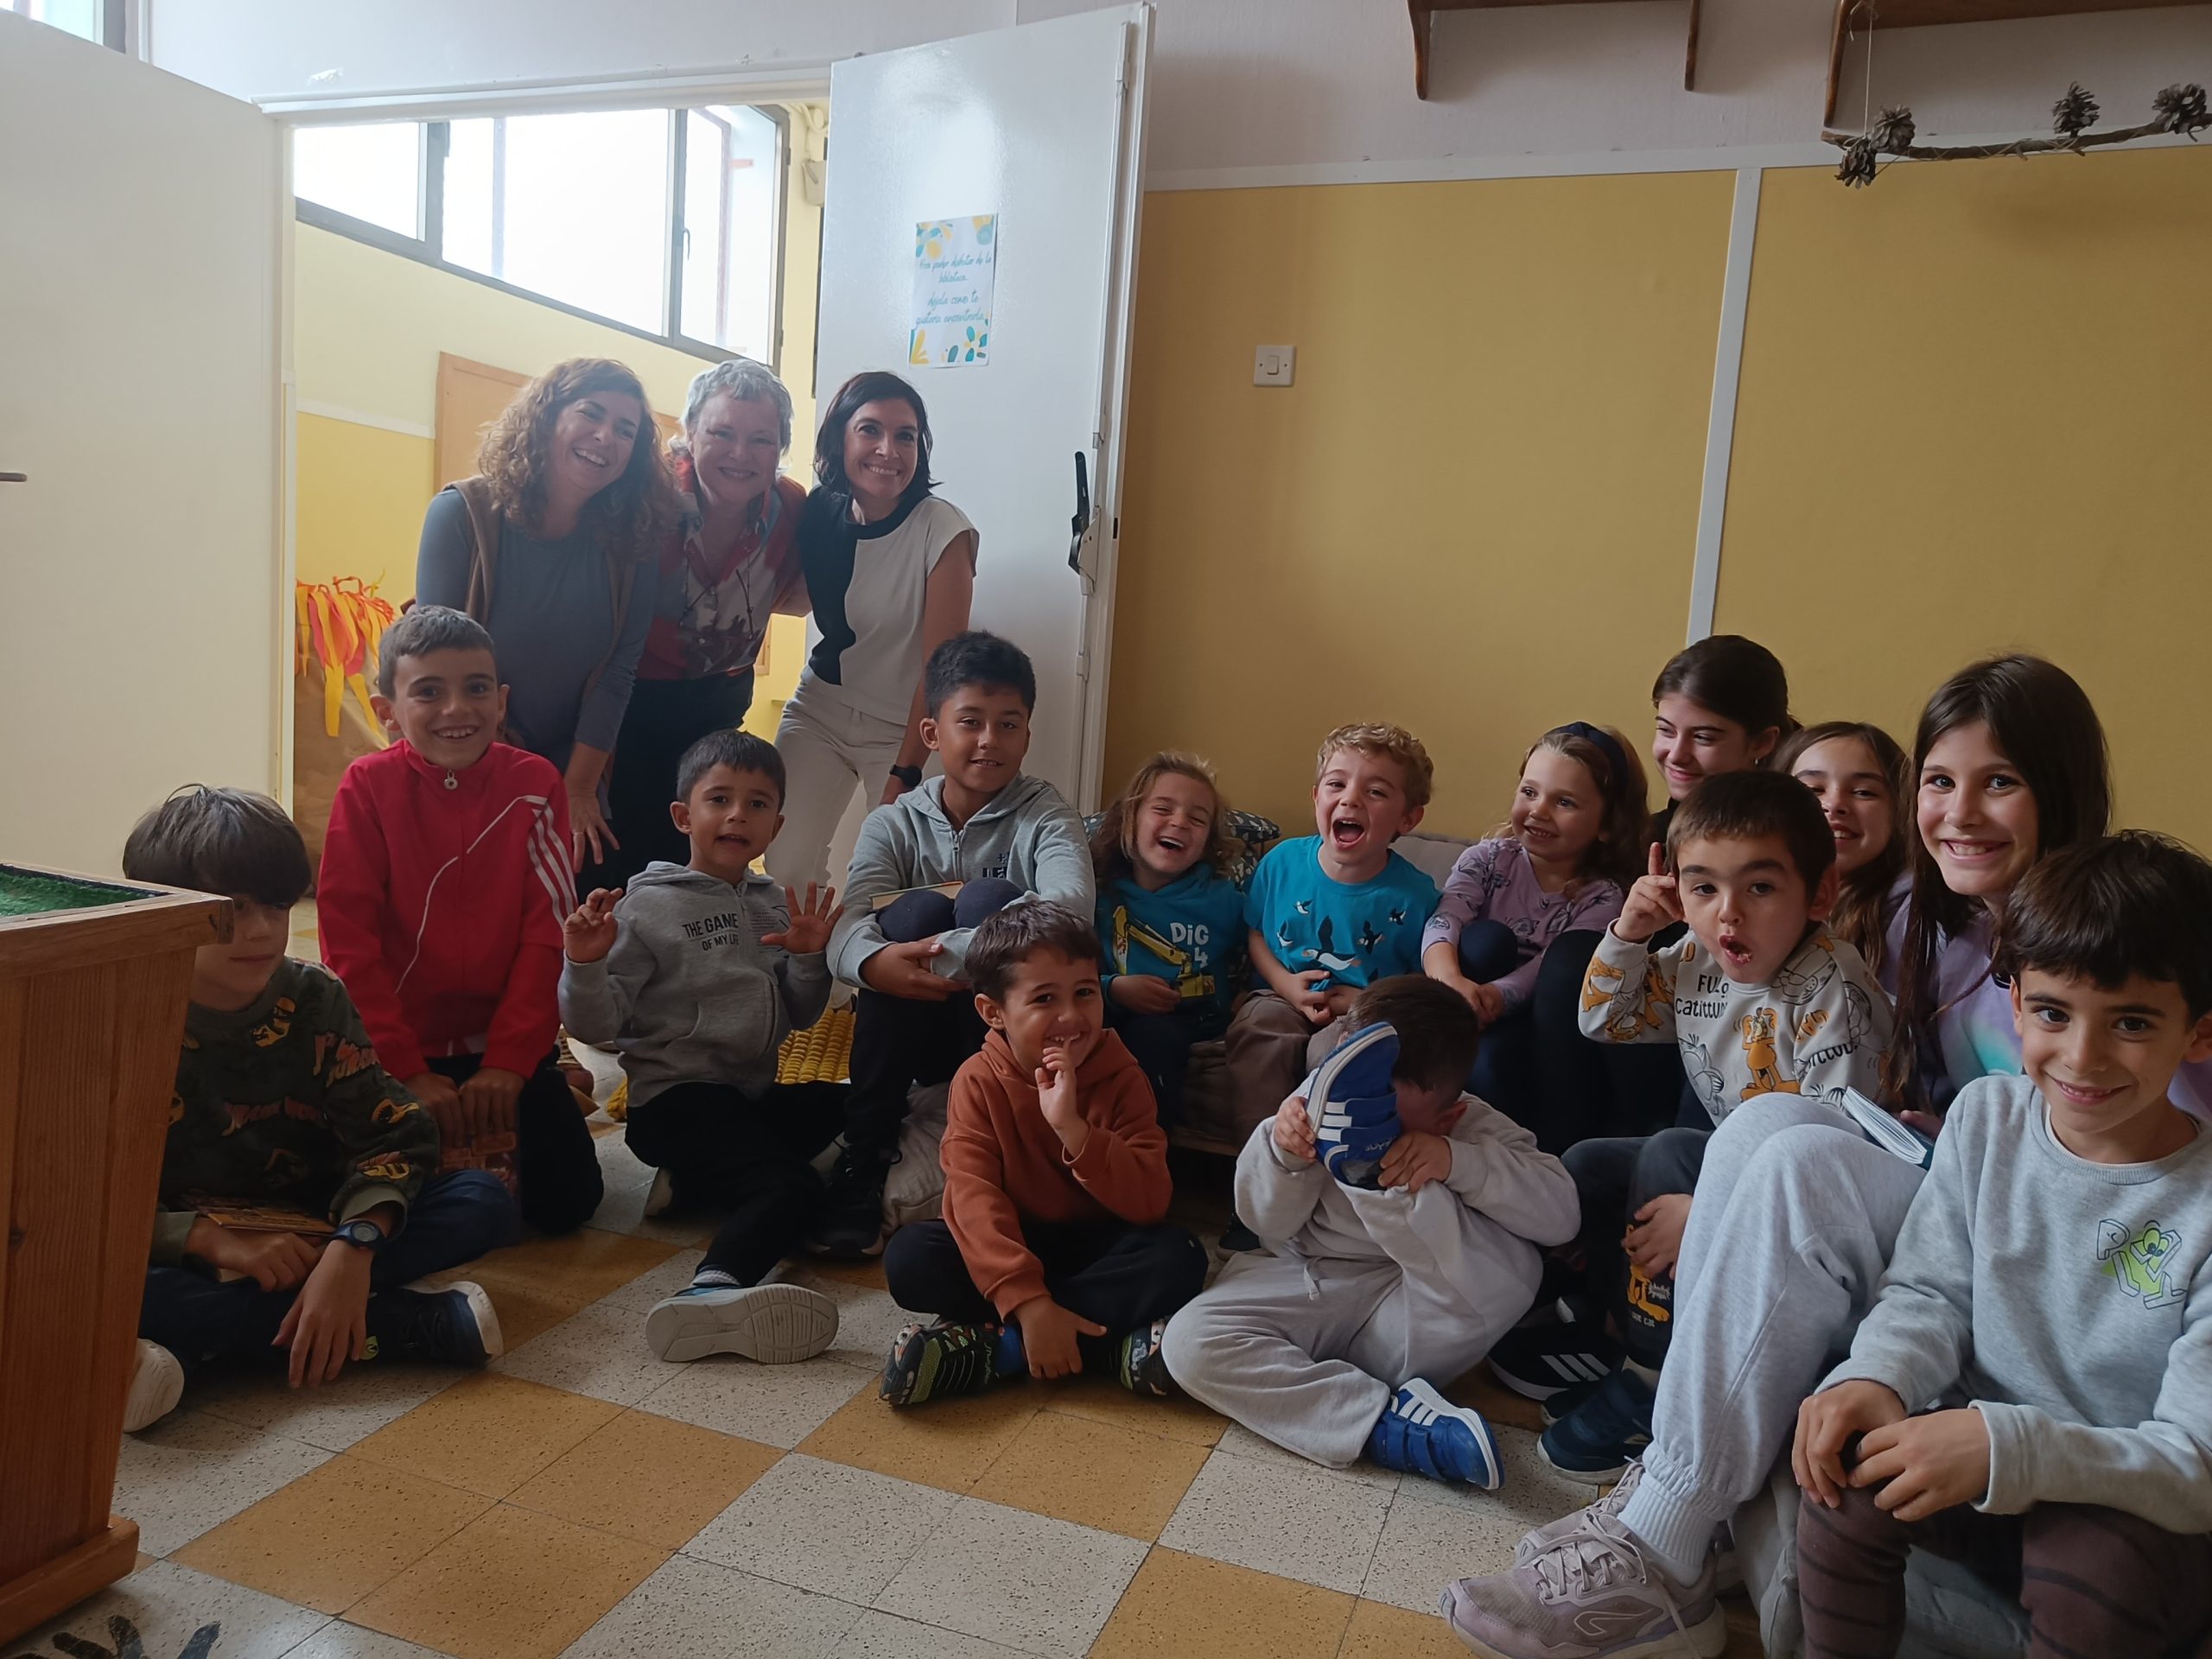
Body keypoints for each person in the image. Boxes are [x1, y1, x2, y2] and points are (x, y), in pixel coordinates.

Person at [1439, 654, 2119, 1659]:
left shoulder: (2103, 940)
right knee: (1758, 1132)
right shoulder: (1921, 919)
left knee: (1786, 1151)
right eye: (1941, 780)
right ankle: (1669, 1509)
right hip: (1931, 1174)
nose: (1961, 811)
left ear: (2057, 790)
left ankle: (1664, 1532)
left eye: (2000, 781)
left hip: (2034, 1224)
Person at [1792, 831, 2212, 1659]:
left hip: (2131, 1507)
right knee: (1843, 1475)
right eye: (2054, 1013)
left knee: (2098, 1574)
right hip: (1982, 1465)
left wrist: (2006, 1447)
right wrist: (1877, 1375)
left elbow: (2195, 1462)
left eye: (2132, 1022)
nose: (2083, 1057)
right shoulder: (1985, 1119)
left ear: (2199, 1034)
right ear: (2015, 1004)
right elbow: (1930, 1294)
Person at [1494, 768, 1894, 1483]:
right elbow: (1606, 1020)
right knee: (1589, 1165)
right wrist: (1629, 932)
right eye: (1703, 889)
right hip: (1735, 1166)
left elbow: (1828, 1154)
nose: (1728, 915)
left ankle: (1652, 1389)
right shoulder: (1695, 958)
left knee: (1672, 1153)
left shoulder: (1831, 985)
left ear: (1819, 894)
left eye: (1760, 888)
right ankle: (1619, 1339)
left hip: (1803, 1201)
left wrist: (1709, 1212)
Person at [122, 787, 513, 1435]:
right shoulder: (118, 1011)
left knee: (481, 1200)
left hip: (316, 1222)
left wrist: (353, 1248)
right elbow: (80, 1189)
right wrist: (210, 1241)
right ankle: (399, 1326)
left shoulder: (314, 993)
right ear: (161, 908)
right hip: (186, 1241)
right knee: (81, 1277)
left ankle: (202, 1348)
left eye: (277, 905)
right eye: (232, 908)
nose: (261, 930)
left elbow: (394, 1134)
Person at [1162, 976, 1578, 1486]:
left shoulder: (1470, 1125)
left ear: (1448, 1116)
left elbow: (1562, 1218)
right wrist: (1281, 1153)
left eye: (1388, 1119)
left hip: (1409, 1316)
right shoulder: (1309, 1106)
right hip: (1309, 1281)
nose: (1362, 1113)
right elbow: (1262, 1223)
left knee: (1514, 1267)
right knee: (1188, 1343)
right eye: (1350, 1098)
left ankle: (1365, 1174)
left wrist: (1456, 1162)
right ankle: (1383, 1424)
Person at [559, 728, 848, 1364]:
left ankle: (692, 1185)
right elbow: (595, 1026)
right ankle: (710, 1291)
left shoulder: (772, 904)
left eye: (757, 803)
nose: (738, 815)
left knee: (856, 1106)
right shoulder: (647, 907)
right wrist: (584, 964)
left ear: (776, 826)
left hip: (746, 1096)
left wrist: (808, 959)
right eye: (720, 799)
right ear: (684, 816)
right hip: (675, 1104)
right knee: (790, 1185)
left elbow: (801, 1015)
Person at [317, 606, 603, 1236]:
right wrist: (406, 1069)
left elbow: (547, 935)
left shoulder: (535, 783)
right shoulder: (366, 786)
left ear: (500, 702)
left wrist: (510, 1062)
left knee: (567, 1202)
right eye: (428, 692)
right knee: (349, 1192)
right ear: (388, 712)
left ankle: (557, 1079)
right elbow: (348, 946)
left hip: (502, 1048)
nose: (456, 709)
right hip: (396, 1051)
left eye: (476, 688)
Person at [817, 632, 1092, 1255]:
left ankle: (1002, 1140)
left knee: (986, 900)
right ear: (933, 732)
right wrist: (875, 963)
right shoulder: (892, 823)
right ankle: (865, 1156)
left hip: (1002, 1034)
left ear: (1027, 735)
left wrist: (947, 952)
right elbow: (849, 921)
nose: (990, 739)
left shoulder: (1047, 816)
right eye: (971, 722)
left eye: (1008, 724)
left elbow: (1070, 911)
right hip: (911, 1027)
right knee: (910, 909)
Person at [878, 902, 1207, 1405]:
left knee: (1179, 1255)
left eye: (1085, 993)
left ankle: (1001, 1349)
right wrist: (1028, 1301)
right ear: (993, 1012)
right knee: (910, 1258)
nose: (1071, 1017)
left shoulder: (1123, 1076)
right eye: (1044, 999)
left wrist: (1074, 1130)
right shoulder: (977, 1081)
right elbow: (973, 1196)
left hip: (1099, 1244)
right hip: (1014, 1241)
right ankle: (1103, 1345)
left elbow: (1149, 1203)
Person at [1529, 635, 1796, 1148]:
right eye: (1665, 730)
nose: (1677, 754)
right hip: (1634, 1030)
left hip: (1735, 1025)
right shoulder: (1644, 839)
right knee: (1571, 957)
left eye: (1705, 737)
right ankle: (1560, 1159)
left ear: (1762, 741)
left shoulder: (1789, 840)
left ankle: (1650, 1152)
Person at [414, 356, 674, 882]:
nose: (605, 437)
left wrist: (578, 789)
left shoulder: (633, 542)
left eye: (625, 430)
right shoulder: (461, 513)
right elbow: (434, 664)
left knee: (588, 888)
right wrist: (504, 778)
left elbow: (618, 672)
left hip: (571, 765)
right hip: (463, 753)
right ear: (547, 418)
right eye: (591, 414)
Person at [601, 358, 810, 889]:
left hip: (717, 712)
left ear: (780, 449)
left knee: (701, 873)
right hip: (626, 712)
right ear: (690, 432)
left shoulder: (790, 510)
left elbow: (800, 599)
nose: (741, 454)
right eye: (722, 433)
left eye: (761, 440)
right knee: (616, 872)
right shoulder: (644, 496)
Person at [767, 372, 978, 890]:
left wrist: (906, 772)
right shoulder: (819, 511)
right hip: (820, 709)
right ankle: (809, 948)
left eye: (905, 435)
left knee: (895, 882)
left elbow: (942, 670)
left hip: (903, 724)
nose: (888, 450)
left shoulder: (942, 529)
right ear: (839, 437)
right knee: (784, 865)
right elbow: (796, 597)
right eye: (870, 430)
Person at [1420, 721, 1646, 1149]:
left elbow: (1547, 968)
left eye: (1564, 802)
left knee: (1493, 1065)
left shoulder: (1603, 896)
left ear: (1607, 824)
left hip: (1533, 1023)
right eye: (1529, 792)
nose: (1539, 811)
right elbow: (1445, 918)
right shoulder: (1487, 860)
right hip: (1458, 996)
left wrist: (1495, 997)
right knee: (1486, 940)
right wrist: (1449, 981)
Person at [1224, 722, 1440, 1141]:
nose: (1350, 798)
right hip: (1280, 996)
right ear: (1316, 797)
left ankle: (1328, 1162)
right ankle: (1262, 1154)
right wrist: (1286, 986)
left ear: (1408, 818)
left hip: (1362, 1014)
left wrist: (1365, 1002)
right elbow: (1257, 934)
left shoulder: (1417, 897)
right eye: (1336, 784)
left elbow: (1421, 985)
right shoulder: (1281, 862)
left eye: (1375, 792)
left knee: (1343, 1054)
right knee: (1261, 1028)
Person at [1090, 751, 1246, 1131]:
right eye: (1163, 809)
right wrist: (1114, 989)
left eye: (1197, 819)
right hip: (1109, 1005)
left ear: (1207, 840)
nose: (1179, 822)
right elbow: (1069, 975)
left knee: (1153, 1037)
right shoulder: (1099, 896)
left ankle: (1147, 1151)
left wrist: (1250, 995)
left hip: (1187, 1020)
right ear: (1130, 818)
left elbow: (1261, 947)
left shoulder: (1224, 900)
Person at [1777, 720, 1913, 980]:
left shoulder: (1919, 919)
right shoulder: (1741, 900)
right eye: (1814, 789)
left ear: (1900, 807)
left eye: (1863, 792)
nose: (1835, 804)